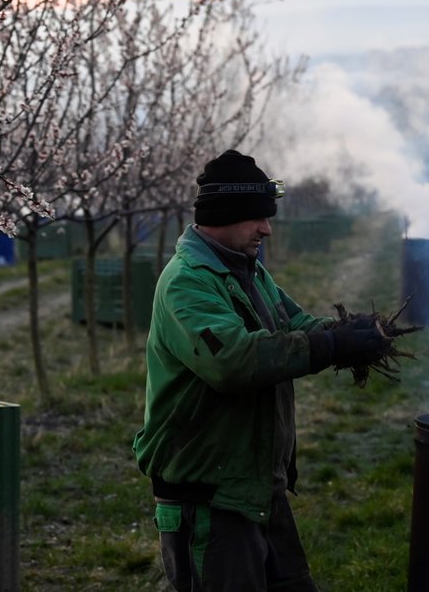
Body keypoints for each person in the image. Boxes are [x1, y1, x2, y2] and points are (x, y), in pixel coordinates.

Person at [133, 149, 389, 591]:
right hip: (209, 495)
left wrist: (347, 335)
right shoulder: (188, 282)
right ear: (225, 214)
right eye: (257, 218)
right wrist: (329, 345)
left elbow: (296, 325)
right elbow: (232, 361)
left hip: (253, 485)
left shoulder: (246, 271)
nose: (267, 229)